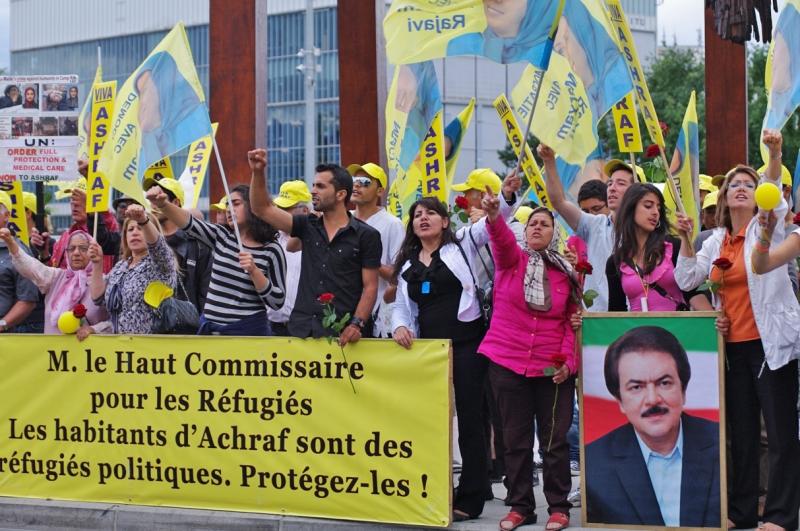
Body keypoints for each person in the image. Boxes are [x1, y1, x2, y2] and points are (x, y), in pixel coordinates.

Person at [674, 130, 800, 531]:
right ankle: (741, 512)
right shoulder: (716, 241)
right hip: (731, 348)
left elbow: (774, 196)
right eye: (734, 185)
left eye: (750, 183)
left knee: (780, 434)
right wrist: (684, 238)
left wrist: (774, 154)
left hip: (770, 345)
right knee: (740, 435)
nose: (742, 189)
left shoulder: (771, 228)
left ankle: (781, 515)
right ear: (724, 197)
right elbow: (686, 277)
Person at [391, 174, 519, 522]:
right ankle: (432, 489)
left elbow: (495, 222)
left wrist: (505, 196)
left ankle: (472, 497)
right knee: (429, 421)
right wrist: (400, 326)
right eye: (417, 214)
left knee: (471, 420)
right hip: (428, 353)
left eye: (430, 213)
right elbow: (401, 307)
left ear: (445, 221)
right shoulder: (407, 263)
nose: (423, 217)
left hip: (466, 344)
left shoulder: (462, 243)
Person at [479, 191, 580, 531]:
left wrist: (568, 361)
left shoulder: (566, 272)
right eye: (532, 223)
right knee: (515, 441)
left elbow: (570, 320)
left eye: (545, 224)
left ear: (554, 233)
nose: (537, 227)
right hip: (507, 362)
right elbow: (501, 239)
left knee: (555, 441)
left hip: (552, 368)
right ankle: (521, 506)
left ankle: (558, 507)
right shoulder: (512, 260)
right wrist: (494, 217)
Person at [585, 326, 720, 528]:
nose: (652, 399)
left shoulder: (721, 443)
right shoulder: (593, 463)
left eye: (664, 383)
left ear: (683, 390)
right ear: (620, 400)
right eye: (636, 387)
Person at [248, 149, 380, 342]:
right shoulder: (307, 225)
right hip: (301, 333)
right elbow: (262, 209)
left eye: (320, 186)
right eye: (313, 185)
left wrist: (356, 324)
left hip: (343, 337)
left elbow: (371, 287)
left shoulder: (367, 235)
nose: (313, 191)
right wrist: (257, 172)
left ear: (341, 194)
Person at [148, 182, 286, 336]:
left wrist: (254, 272)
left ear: (252, 207)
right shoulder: (222, 236)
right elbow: (188, 223)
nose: (228, 209)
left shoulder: (272, 250)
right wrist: (163, 204)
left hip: (247, 336)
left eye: (236, 204)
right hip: (211, 334)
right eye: (227, 205)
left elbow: (277, 301)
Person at [540, 144, 637, 312]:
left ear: (637, 192)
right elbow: (558, 201)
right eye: (610, 183)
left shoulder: (646, 232)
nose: (612, 188)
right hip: (596, 319)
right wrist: (549, 161)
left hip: (634, 317)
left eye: (621, 183)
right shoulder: (594, 225)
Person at [606, 183, 704, 312]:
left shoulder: (673, 246)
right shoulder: (615, 261)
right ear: (630, 208)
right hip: (638, 331)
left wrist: (715, 324)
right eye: (648, 206)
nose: (655, 212)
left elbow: (693, 292)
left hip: (677, 329)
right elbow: (615, 311)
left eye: (658, 208)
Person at [86, 204, 177, 336]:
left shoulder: (160, 263)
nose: (135, 232)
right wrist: (97, 263)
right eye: (130, 229)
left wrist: (143, 220)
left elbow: (159, 247)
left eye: (140, 228)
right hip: (122, 349)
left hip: (152, 349)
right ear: (125, 236)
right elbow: (99, 299)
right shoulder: (120, 266)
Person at [0, 227, 110, 335]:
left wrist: (94, 329)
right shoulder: (56, 277)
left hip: (91, 352)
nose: (76, 253)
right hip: (54, 352)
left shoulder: (104, 281)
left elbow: (114, 322)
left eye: (83, 248)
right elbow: (31, 267)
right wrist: (11, 243)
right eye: (71, 248)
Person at [348, 163, 404, 338]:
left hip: (375, 316)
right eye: (353, 180)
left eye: (364, 181)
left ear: (380, 191)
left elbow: (399, 275)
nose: (356, 185)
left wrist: (368, 259)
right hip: (341, 311)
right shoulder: (342, 219)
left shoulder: (392, 224)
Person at [143, 176, 212, 315]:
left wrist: (202, 327)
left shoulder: (196, 243)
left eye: (159, 198)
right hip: (151, 329)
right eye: (151, 200)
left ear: (175, 202)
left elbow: (206, 291)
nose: (153, 204)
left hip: (187, 329)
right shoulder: (144, 240)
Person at [134, 51, 210, 176]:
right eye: (139, 94)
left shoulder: (195, 130)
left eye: (145, 91)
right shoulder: (142, 151)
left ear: (164, 90)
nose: (141, 104)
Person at [51, 172, 120, 274]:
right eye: (72, 198)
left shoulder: (105, 228)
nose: (74, 203)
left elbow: (106, 218)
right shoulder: (65, 236)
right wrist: (43, 254)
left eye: (79, 198)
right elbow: (55, 272)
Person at [267, 180, 310, 336]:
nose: (280, 212)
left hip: (304, 329)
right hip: (271, 326)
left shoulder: (316, 240)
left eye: (286, 208)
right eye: (279, 207)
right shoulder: (269, 239)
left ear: (305, 211)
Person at [0, 192, 38, 333]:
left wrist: (2, 324)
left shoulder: (20, 252)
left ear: (7, 216)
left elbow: (27, 300)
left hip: (5, 338)